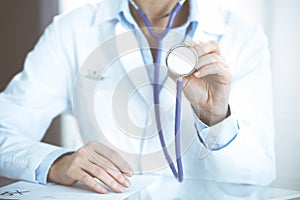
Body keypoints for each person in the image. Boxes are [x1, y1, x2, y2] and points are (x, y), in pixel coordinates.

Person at [0, 0, 275, 194]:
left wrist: (216, 117)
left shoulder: (242, 36)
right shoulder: (72, 30)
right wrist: (57, 163)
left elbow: (256, 178)